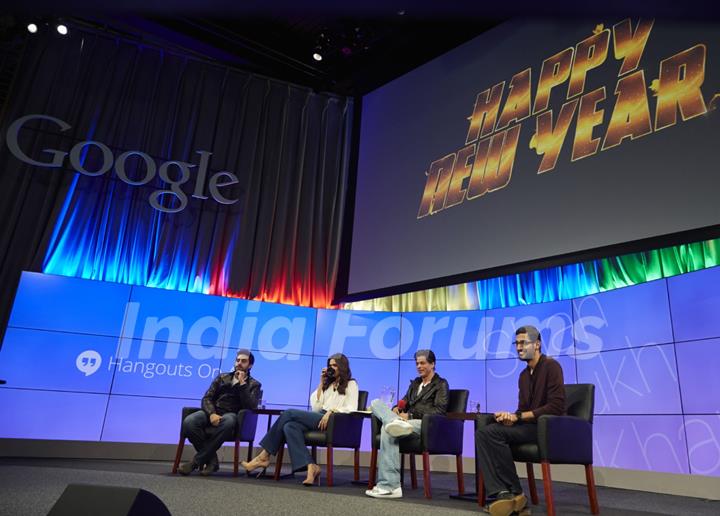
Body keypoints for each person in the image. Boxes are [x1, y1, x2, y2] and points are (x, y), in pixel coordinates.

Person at [475, 325, 566, 516]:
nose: (518, 347)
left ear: (537, 344)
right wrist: (510, 418)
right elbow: (522, 410)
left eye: (523, 342)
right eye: (516, 343)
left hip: (547, 429)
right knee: (485, 430)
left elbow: (556, 407)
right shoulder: (524, 375)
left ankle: (514, 493)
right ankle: (504, 493)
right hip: (528, 427)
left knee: (491, 433)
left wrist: (519, 417)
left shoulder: (552, 366)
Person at [241, 353, 359, 486]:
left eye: (335, 365)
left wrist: (332, 411)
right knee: (289, 426)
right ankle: (311, 467)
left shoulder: (351, 384)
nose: (331, 368)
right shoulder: (329, 384)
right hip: (320, 416)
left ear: (342, 367)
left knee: (289, 413)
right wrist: (321, 384)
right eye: (330, 365)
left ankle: (264, 455)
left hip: (335, 420)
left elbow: (352, 407)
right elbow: (316, 407)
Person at [365, 349, 449, 499]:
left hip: (424, 424)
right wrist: (397, 409)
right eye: (417, 363)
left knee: (387, 428)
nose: (419, 366)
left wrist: (410, 415)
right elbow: (404, 402)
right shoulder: (415, 383)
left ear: (432, 364)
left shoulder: (441, 384)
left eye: (422, 363)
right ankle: (393, 421)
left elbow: (439, 411)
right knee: (376, 403)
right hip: (405, 421)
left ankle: (390, 486)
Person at [178, 349, 261, 476]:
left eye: (243, 361)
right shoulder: (222, 377)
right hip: (212, 411)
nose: (239, 363)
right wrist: (211, 413)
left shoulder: (254, 384)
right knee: (189, 422)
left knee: (228, 422)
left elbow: (250, 406)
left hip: (232, 414)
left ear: (250, 365)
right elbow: (207, 398)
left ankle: (195, 462)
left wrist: (243, 384)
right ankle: (212, 461)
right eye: (237, 360)